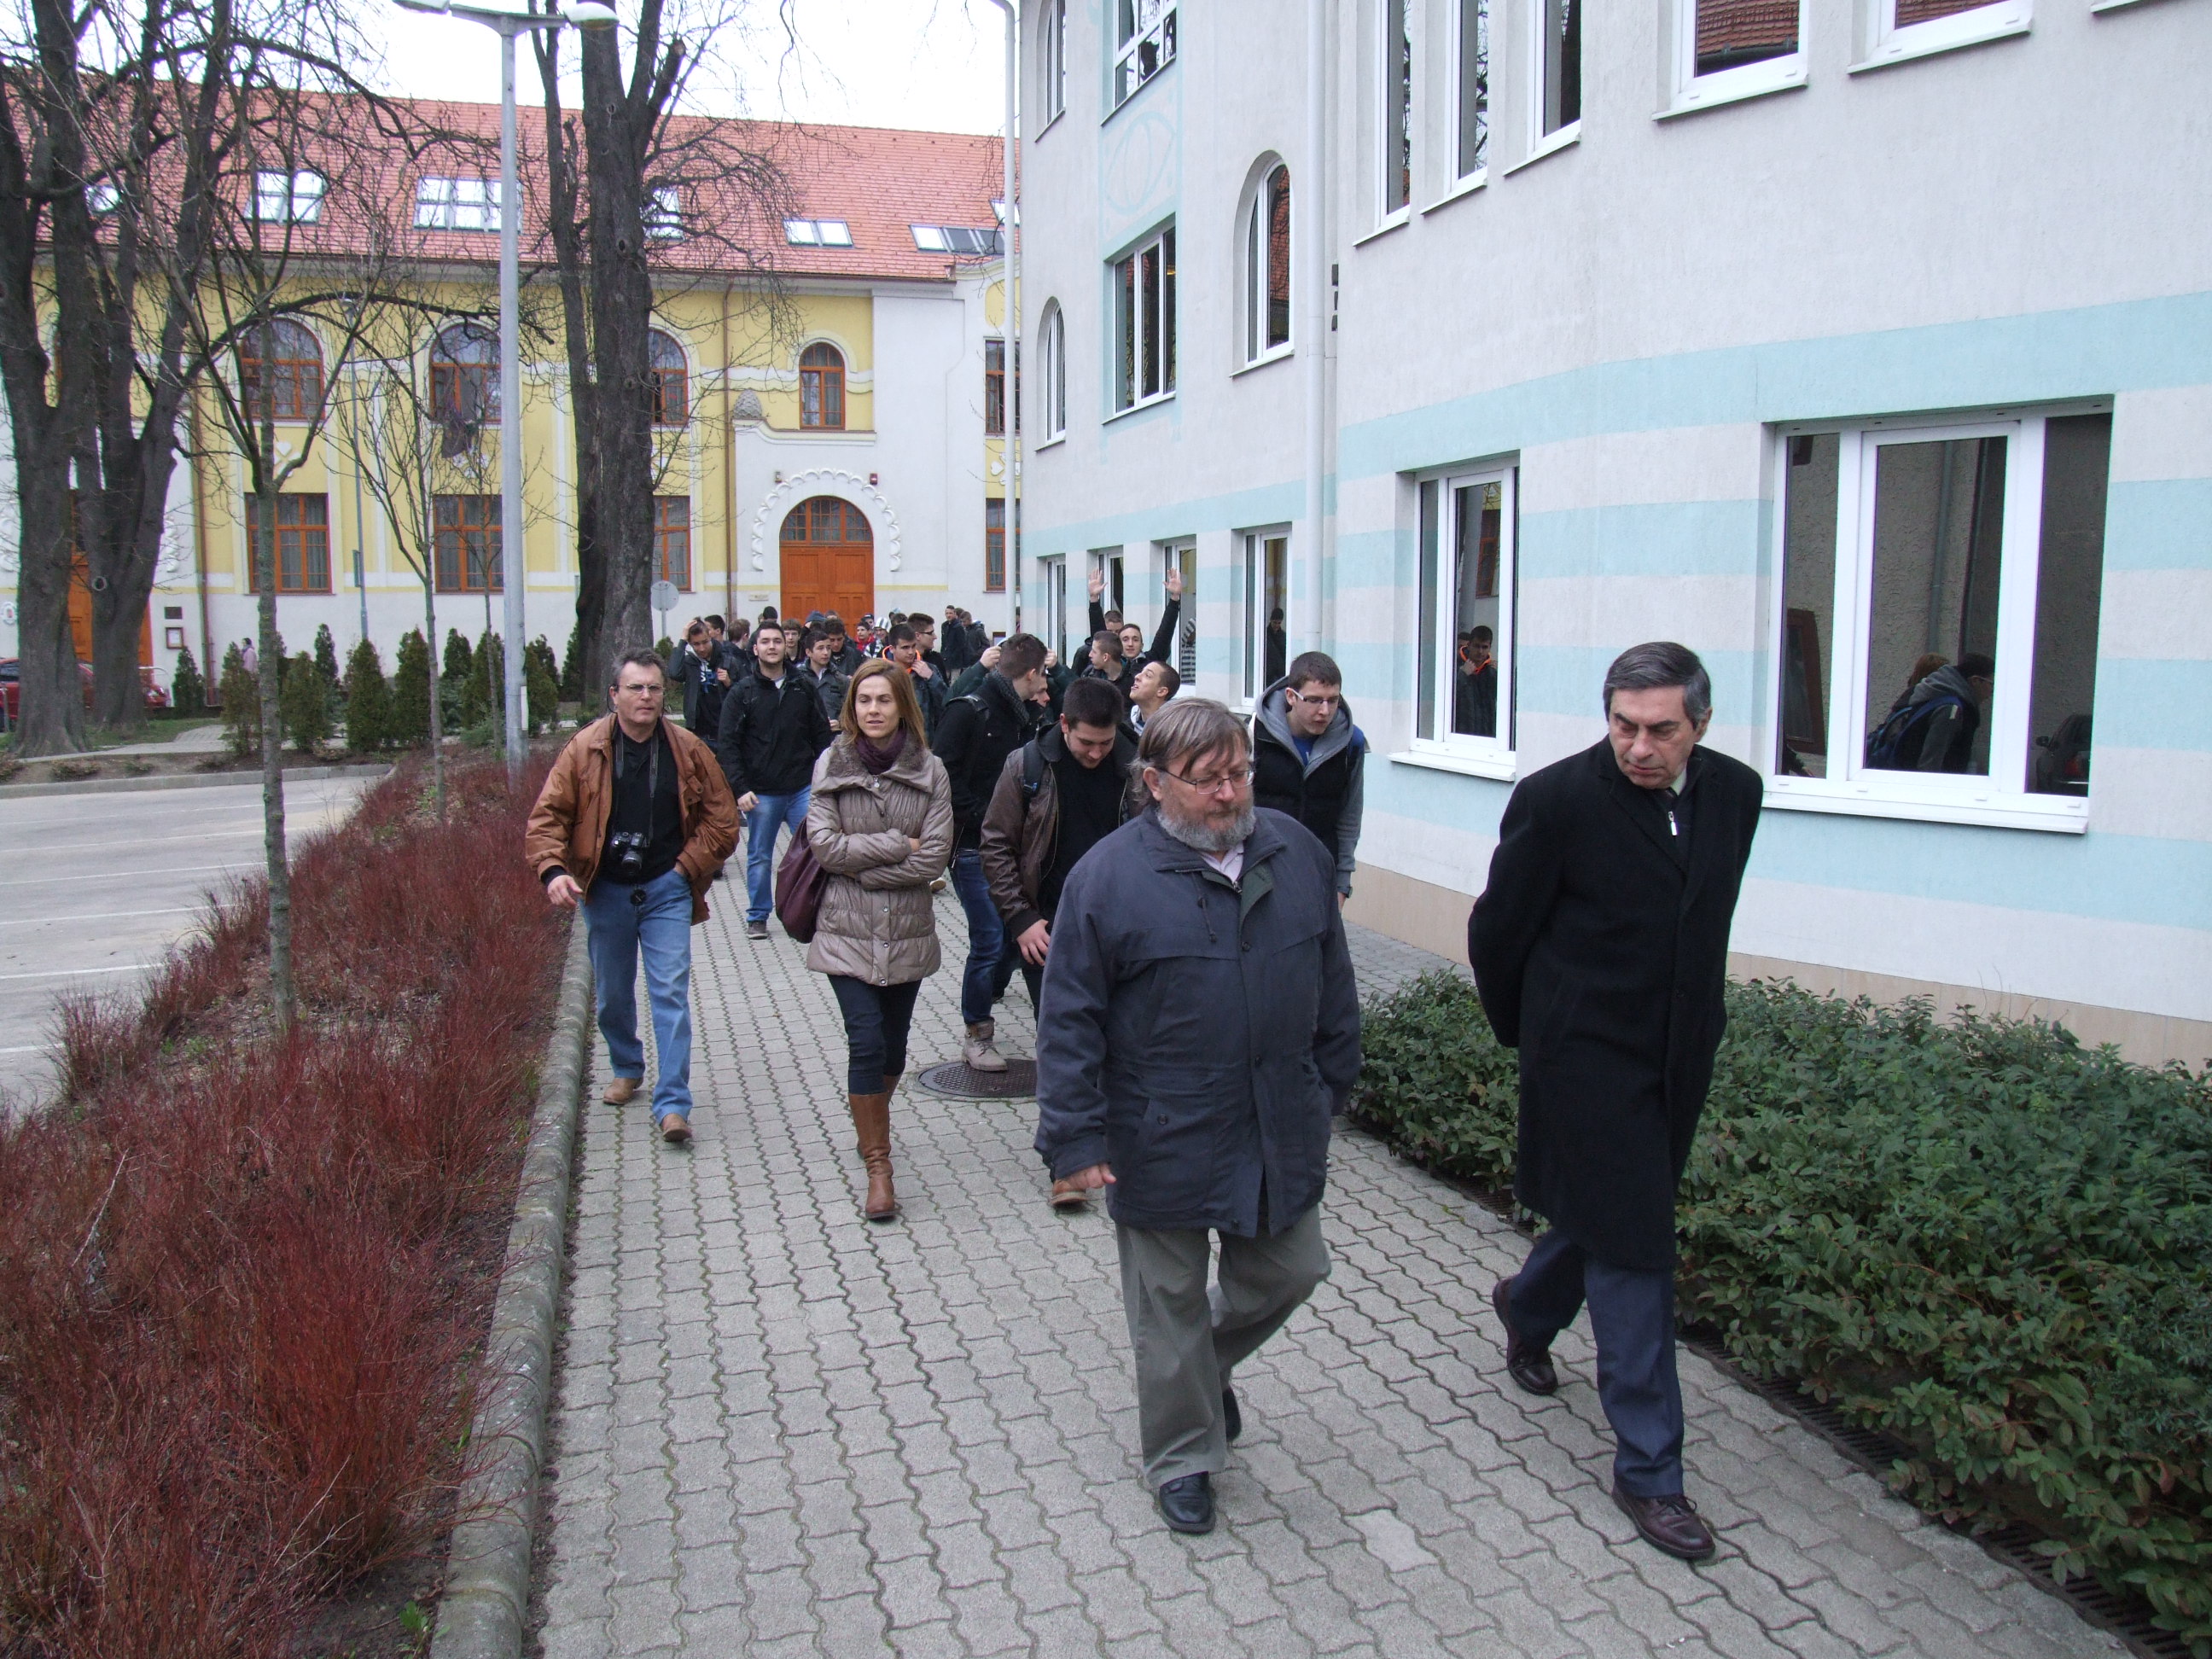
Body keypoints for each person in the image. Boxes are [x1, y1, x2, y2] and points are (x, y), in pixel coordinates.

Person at [1035, 698, 1360, 1535]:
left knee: (1293, 1269)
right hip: (1159, 1129)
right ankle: (1182, 1455)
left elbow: (1335, 984)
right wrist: (1075, 1136)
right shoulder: (1107, 878)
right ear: (1154, 783)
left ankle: (1196, 1372)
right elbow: (1068, 1019)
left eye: (1240, 773)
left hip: (1275, 1118)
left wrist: (1330, 1086)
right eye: (1209, 779)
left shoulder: (1296, 853)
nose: (1230, 793)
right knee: (1167, 1300)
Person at [1470, 641, 1762, 1564]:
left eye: (1661, 730)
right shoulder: (1557, 800)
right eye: (1624, 726)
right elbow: (1497, 932)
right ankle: (1649, 1470)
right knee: (1639, 1250)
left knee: (1608, 1215)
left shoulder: (1737, 793)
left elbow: (1703, 918)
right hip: (1583, 1057)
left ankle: (1527, 1307)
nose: (1639, 747)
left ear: (1700, 725)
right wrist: (1532, 1038)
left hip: (1676, 1055)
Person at [526, 650, 739, 1144]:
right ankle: (626, 1065)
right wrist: (553, 870)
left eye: (655, 688)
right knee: (613, 995)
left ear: (665, 695)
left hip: (667, 889)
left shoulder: (688, 750)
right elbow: (548, 817)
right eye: (636, 688)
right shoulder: (584, 749)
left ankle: (673, 1104)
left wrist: (684, 869)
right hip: (605, 890)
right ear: (614, 695)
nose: (646, 697)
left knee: (670, 993)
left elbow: (723, 820)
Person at [980, 676, 1138, 1210]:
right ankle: (1067, 1163)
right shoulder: (1026, 766)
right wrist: (1021, 917)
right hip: (1048, 931)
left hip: (1123, 928)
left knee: (1121, 1039)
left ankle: (1118, 1145)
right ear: (1064, 724)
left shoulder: (1136, 767)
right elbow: (996, 845)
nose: (1096, 753)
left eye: (1106, 743)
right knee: (1065, 1044)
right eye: (1086, 742)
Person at [806, 661, 955, 1220]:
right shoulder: (832, 762)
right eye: (864, 700)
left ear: (902, 707)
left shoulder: (931, 770)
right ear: (852, 707)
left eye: (883, 700)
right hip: (845, 930)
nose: (873, 709)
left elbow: (935, 856)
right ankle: (879, 1167)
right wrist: (897, 845)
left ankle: (871, 1120)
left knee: (894, 1047)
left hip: (907, 930)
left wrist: (863, 867)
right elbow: (825, 847)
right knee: (866, 1042)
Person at [933, 632, 1051, 1071]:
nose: (1046, 684)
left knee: (1012, 935)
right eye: (1044, 676)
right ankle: (978, 1033)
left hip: (1020, 848)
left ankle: (997, 987)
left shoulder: (1026, 715)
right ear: (1032, 672)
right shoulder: (969, 711)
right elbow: (942, 777)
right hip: (972, 847)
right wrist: (989, 819)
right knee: (988, 939)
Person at [717, 622, 834, 941]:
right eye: (765, 641)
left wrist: (823, 780)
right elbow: (728, 745)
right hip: (761, 792)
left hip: (802, 788)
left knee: (816, 850)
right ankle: (758, 916)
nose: (772, 646)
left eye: (777, 641)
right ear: (755, 648)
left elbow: (821, 736)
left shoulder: (803, 688)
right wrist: (740, 788)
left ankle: (814, 911)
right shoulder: (742, 693)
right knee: (759, 856)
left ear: (787, 647)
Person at [1250, 651, 1365, 904]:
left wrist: (1342, 884)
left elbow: (1350, 817)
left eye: (1333, 700)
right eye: (1314, 700)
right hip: (1260, 871)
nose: (1325, 711)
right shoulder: (1255, 734)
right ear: (1291, 697)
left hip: (1319, 872)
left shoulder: (1351, 742)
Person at [1873, 652, 1992, 772]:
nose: (1992, 690)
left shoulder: (1930, 697)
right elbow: (1930, 765)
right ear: (1975, 681)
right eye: (1991, 683)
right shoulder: (1950, 708)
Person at [1088, 566, 1185, 667]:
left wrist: (1175, 598)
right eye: (1125, 639)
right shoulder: (1110, 665)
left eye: (1135, 639)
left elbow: (1165, 632)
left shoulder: (1151, 662)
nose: (1130, 644)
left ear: (1142, 645)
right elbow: (1100, 638)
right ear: (1117, 644)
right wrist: (1094, 598)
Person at [676, 619, 736, 736]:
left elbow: (743, 693)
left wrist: (729, 683)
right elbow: (674, 673)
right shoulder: (690, 662)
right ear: (690, 643)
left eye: (705, 642)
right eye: (696, 644)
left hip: (722, 727)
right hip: (698, 728)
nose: (702, 648)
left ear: (710, 637)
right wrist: (682, 640)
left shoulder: (727, 660)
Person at [886, 623, 946, 738]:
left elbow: (946, 703)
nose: (911, 652)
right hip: (893, 740)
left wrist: (931, 678)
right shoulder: (882, 673)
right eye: (905, 647)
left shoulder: (929, 669)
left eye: (913, 646)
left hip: (924, 739)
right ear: (892, 649)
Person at [797, 629, 851, 731]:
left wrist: (840, 724)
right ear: (808, 652)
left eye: (828, 648)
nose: (826, 653)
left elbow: (851, 711)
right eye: (820, 648)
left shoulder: (841, 680)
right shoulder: (797, 679)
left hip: (833, 735)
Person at [1454, 626, 1498, 737]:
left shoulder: (1492, 672)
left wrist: (1501, 676)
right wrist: (1462, 675)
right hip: (1459, 737)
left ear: (1490, 648)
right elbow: (1446, 699)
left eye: (1484, 647)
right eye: (1476, 646)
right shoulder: (1454, 667)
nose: (1480, 651)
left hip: (1487, 737)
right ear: (1469, 645)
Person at [1128, 659, 1180, 737]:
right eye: (1141, 672)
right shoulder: (1127, 728)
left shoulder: (1175, 733)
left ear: (1162, 691)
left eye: (1148, 675)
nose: (1137, 676)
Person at [940, 603, 978, 673]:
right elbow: (944, 643)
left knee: (955, 678)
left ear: (955, 614)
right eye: (947, 613)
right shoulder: (944, 626)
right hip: (946, 660)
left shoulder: (958, 627)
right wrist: (942, 655)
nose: (948, 615)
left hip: (956, 661)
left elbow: (961, 644)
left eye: (950, 613)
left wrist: (953, 655)